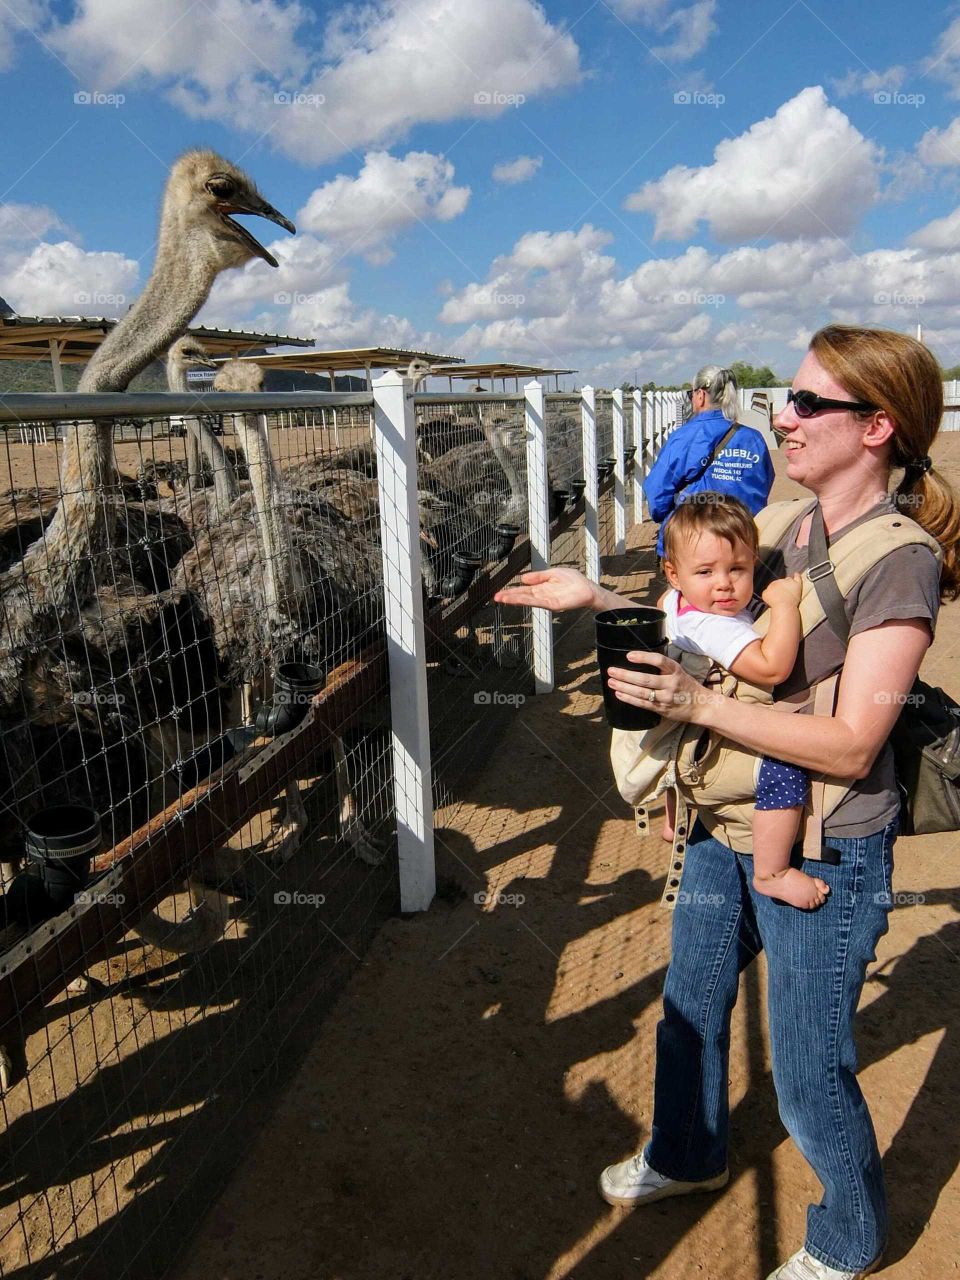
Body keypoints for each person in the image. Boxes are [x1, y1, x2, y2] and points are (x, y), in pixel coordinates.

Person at [495, 325, 960, 1280]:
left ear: (877, 426)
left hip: (825, 838)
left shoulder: (899, 559)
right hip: (727, 821)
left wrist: (699, 706)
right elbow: (714, 618)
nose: (784, 415)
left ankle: (848, 1238)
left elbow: (853, 743)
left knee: (807, 1066)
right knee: (691, 1005)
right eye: (789, 396)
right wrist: (598, 600)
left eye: (809, 402)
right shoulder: (789, 524)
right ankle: (687, 1151)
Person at [656, 494, 828, 909]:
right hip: (707, 742)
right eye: (705, 571)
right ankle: (772, 872)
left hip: (673, 740)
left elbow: (666, 605)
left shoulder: (675, 602)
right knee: (784, 771)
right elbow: (772, 668)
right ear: (674, 573)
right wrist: (784, 605)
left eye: (737, 569)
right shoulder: (713, 626)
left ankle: (672, 823)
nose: (724, 584)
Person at [644, 364, 775, 557]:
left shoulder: (683, 437)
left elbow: (657, 492)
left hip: (691, 540)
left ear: (700, 395)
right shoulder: (754, 438)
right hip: (743, 541)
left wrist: (670, 517)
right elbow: (764, 483)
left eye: (691, 394)